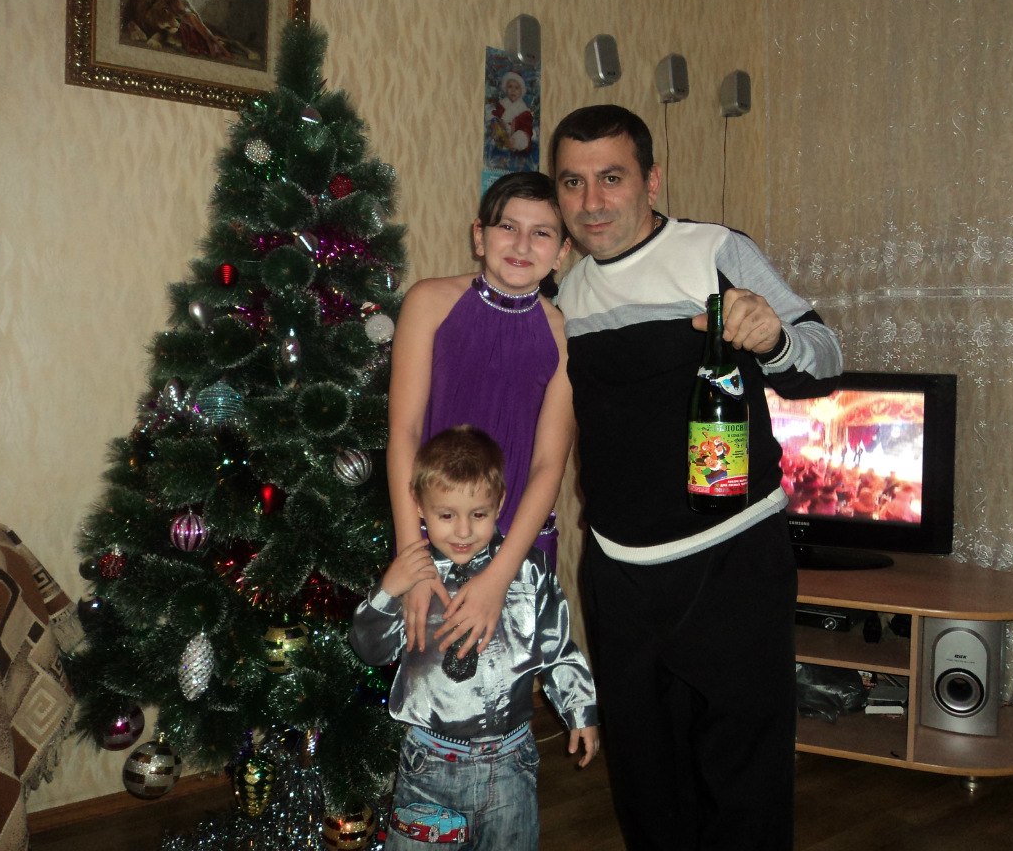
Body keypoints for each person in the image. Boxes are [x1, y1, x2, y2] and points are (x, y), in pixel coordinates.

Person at [550, 104, 844, 851]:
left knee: (744, 778)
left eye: (612, 178)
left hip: (731, 558)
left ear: (651, 179)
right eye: (573, 182)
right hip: (620, 569)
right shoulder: (565, 298)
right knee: (645, 779)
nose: (592, 201)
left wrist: (773, 338)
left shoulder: (715, 251)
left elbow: (825, 358)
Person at [349, 425, 599, 851]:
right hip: (429, 766)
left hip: (512, 765)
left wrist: (580, 709)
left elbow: (557, 648)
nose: (463, 532)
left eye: (479, 514)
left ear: (500, 503)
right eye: (447, 515)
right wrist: (388, 589)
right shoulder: (412, 579)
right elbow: (369, 649)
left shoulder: (529, 571)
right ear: (419, 506)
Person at [386, 171, 574, 661]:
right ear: (478, 235)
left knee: (506, 686)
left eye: (541, 233)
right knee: (428, 679)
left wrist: (499, 576)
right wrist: (413, 560)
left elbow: (549, 464)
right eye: (507, 227)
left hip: (517, 550)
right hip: (434, 533)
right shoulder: (428, 303)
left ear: (562, 252)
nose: (521, 244)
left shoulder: (566, 335)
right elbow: (404, 433)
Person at [489, 72, 534, 153]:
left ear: (521, 91)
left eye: (516, 88)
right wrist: (495, 124)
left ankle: (514, 143)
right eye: (510, 87)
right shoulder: (501, 105)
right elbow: (495, 116)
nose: (513, 90)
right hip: (500, 137)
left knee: (521, 136)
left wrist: (517, 139)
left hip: (515, 140)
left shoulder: (524, 111)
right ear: (505, 89)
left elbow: (526, 129)